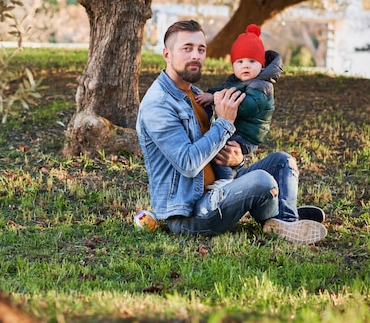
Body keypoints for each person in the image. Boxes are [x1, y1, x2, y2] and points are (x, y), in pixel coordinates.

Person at [136, 20, 327, 244]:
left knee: (282, 162)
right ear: (167, 54)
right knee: (262, 181)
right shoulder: (158, 104)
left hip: (221, 188)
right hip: (192, 212)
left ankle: (285, 218)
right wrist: (225, 122)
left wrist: (236, 160)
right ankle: (279, 212)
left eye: (201, 49)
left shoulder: (197, 96)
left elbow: (215, 149)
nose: (195, 55)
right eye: (187, 48)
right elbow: (188, 163)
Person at [195, 24, 282, 182]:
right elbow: (222, 89)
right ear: (233, 66)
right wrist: (210, 95)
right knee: (216, 146)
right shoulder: (236, 82)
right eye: (240, 61)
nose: (246, 65)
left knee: (223, 150)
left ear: (262, 65)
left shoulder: (262, 86)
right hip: (236, 130)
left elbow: (245, 107)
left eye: (252, 61)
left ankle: (226, 181)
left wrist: (217, 99)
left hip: (247, 136)